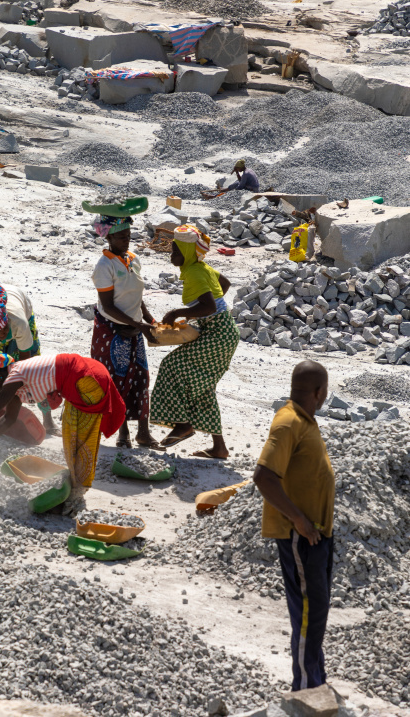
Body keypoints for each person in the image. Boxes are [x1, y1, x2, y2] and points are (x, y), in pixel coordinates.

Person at [253, 360, 335, 692]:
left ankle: (316, 682)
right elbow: (263, 477)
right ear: (319, 392)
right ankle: (304, 690)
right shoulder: (288, 422)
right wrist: (299, 520)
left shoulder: (303, 420)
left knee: (315, 613)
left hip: (315, 535)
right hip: (300, 536)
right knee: (307, 614)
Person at [0, 350, 126, 493]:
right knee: (72, 436)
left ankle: (78, 492)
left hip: (86, 378)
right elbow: (7, 420)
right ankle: (76, 486)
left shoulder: (14, 375)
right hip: (83, 377)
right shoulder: (16, 381)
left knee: (81, 440)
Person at [150, 224, 240, 458]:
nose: (172, 255)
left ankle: (182, 425)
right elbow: (225, 284)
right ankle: (219, 448)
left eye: (176, 251)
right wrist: (199, 312)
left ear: (188, 253)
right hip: (224, 331)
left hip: (218, 334)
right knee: (204, 386)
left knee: (172, 366)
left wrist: (178, 313)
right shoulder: (201, 267)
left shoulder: (194, 272)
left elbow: (209, 305)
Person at [91, 213, 162, 450]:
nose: (126, 240)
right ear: (108, 236)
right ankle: (123, 435)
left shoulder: (133, 259)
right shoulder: (104, 266)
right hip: (111, 330)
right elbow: (108, 306)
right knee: (117, 382)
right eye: (120, 236)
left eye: (128, 235)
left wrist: (149, 319)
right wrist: (139, 325)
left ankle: (143, 433)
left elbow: (137, 296)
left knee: (141, 379)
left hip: (134, 327)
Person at [0, 284, 58, 435]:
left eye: (4, 329)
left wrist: (12, 395)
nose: (2, 335)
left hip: (22, 305)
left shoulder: (19, 323)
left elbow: (25, 365)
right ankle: (0, 415)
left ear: (7, 321)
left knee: (37, 372)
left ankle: (48, 419)